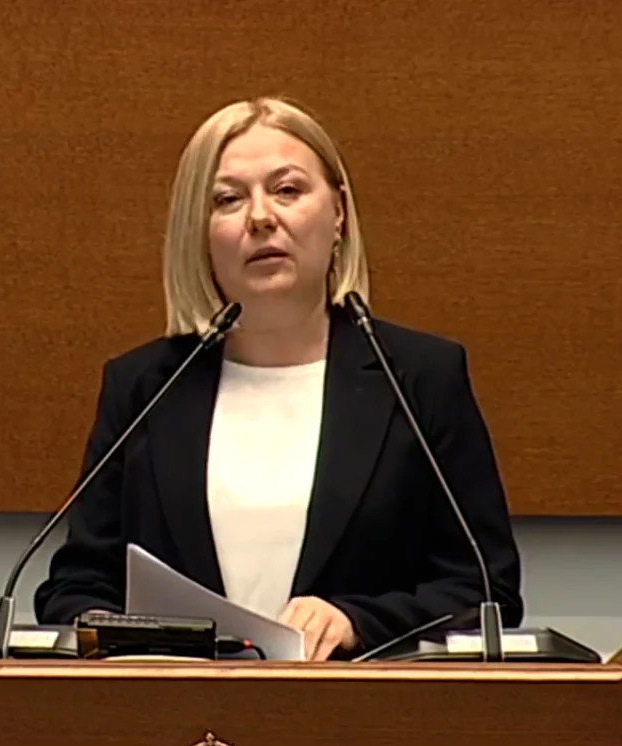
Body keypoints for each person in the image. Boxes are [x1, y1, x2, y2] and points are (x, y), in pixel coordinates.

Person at [33, 96, 523, 661]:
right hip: (180, 704)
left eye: (287, 190)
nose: (261, 217)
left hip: (360, 704)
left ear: (338, 213)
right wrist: (141, 638)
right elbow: (75, 589)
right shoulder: (145, 387)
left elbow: (486, 592)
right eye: (228, 199)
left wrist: (357, 622)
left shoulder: (419, 379)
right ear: (199, 232)